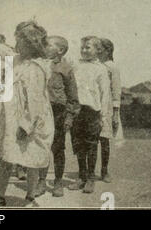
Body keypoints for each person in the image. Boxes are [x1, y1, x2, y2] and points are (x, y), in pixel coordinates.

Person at [0, 20, 54, 207]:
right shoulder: (16, 59)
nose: (16, 44)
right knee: (7, 157)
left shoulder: (37, 67)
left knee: (30, 158)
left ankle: (30, 195)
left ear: (31, 44)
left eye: (20, 41)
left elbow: (35, 101)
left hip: (30, 119)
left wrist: (26, 125)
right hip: (10, 116)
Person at [35, 36, 80, 197]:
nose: (44, 46)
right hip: (41, 111)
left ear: (60, 50)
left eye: (48, 44)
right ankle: (40, 181)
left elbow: (73, 97)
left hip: (58, 113)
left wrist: (69, 117)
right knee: (42, 147)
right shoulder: (39, 64)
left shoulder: (66, 68)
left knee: (58, 148)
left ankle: (58, 181)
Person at [68, 36, 111, 194]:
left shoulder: (101, 69)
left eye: (88, 47)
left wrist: (103, 116)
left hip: (92, 111)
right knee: (78, 145)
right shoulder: (76, 65)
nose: (84, 50)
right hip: (76, 110)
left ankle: (91, 178)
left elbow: (105, 94)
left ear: (98, 50)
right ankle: (81, 176)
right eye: (82, 47)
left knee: (91, 144)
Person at [98, 38, 122, 183]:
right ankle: (87, 172)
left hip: (106, 108)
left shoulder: (112, 67)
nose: (97, 51)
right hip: (93, 107)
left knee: (104, 139)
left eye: (100, 48)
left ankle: (104, 171)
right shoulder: (93, 66)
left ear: (107, 50)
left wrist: (116, 113)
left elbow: (116, 90)